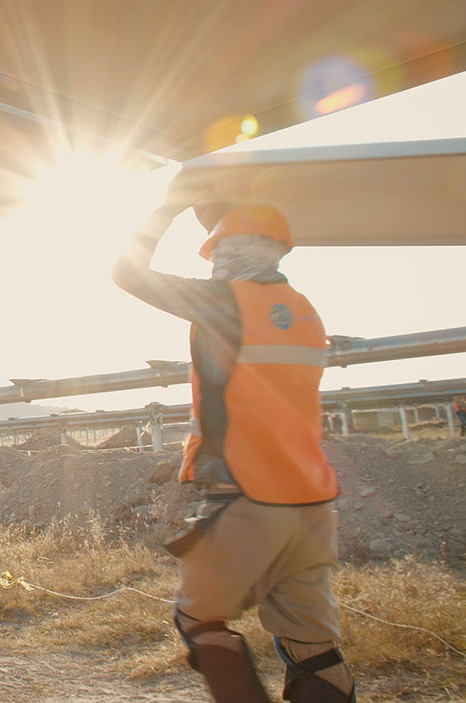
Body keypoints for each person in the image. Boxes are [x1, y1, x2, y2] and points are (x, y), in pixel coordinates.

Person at [112, 199, 355, 703]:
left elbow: (126, 273)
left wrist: (166, 209)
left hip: (248, 494)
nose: (214, 262)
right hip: (310, 504)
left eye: (219, 251)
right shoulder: (305, 310)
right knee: (312, 643)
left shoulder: (225, 300)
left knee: (199, 618)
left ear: (233, 253)